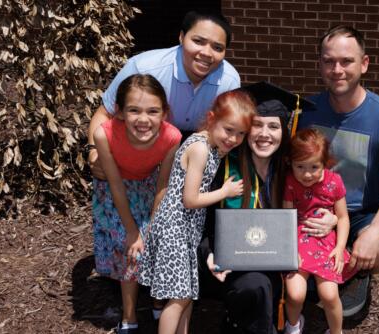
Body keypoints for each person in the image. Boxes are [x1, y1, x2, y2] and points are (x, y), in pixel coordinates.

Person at [198, 82, 338, 334]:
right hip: (234, 262)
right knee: (255, 285)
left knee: (267, 287)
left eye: (273, 126)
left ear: (284, 131)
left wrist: (332, 219)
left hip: (279, 258)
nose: (265, 134)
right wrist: (209, 251)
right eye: (257, 125)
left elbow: (325, 197)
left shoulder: (293, 170)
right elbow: (202, 219)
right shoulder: (224, 166)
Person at [298, 25, 379, 317]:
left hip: (363, 214)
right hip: (315, 208)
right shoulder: (307, 112)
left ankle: (356, 273)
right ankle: (326, 265)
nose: (337, 69)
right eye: (328, 61)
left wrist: (373, 232)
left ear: (364, 64)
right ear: (319, 64)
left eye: (346, 61)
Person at [137, 89, 256, 334]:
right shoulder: (200, 149)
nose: (233, 138)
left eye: (241, 133)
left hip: (185, 230)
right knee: (179, 297)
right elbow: (190, 199)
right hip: (175, 229)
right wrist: (225, 191)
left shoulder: (210, 146)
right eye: (229, 129)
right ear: (211, 119)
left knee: (187, 294)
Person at [88, 10, 240, 179]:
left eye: (217, 47)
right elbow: (105, 113)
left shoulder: (229, 82)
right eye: (198, 41)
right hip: (139, 144)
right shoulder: (143, 68)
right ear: (182, 37)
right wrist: (94, 152)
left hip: (196, 153)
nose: (207, 53)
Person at [92, 74, 182, 334]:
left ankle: (156, 299)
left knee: (156, 241)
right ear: (119, 112)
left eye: (153, 111)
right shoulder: (104, 134)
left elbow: (163, 184)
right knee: (127, 245)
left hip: (149, 186)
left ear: (165, 113)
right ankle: (129, 317)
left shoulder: (172, 137)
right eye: (134, 110)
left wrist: (153, 225)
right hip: (114, 189)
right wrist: (133, 231)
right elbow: (116, 185)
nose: (144, 120)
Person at [283, 128, 356, 334]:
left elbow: (342, 218)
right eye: (300, 167)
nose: (307, 174)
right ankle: (294, 325)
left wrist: (340, 247)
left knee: (330, 294)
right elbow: (286, 218)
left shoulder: (334, 182)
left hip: (326, 243)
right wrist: (289, 248)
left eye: (314, 167)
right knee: (295, 293)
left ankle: (336, 331)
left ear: (325, 163)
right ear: (291, 163)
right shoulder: (290, 181)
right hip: (297, 240)